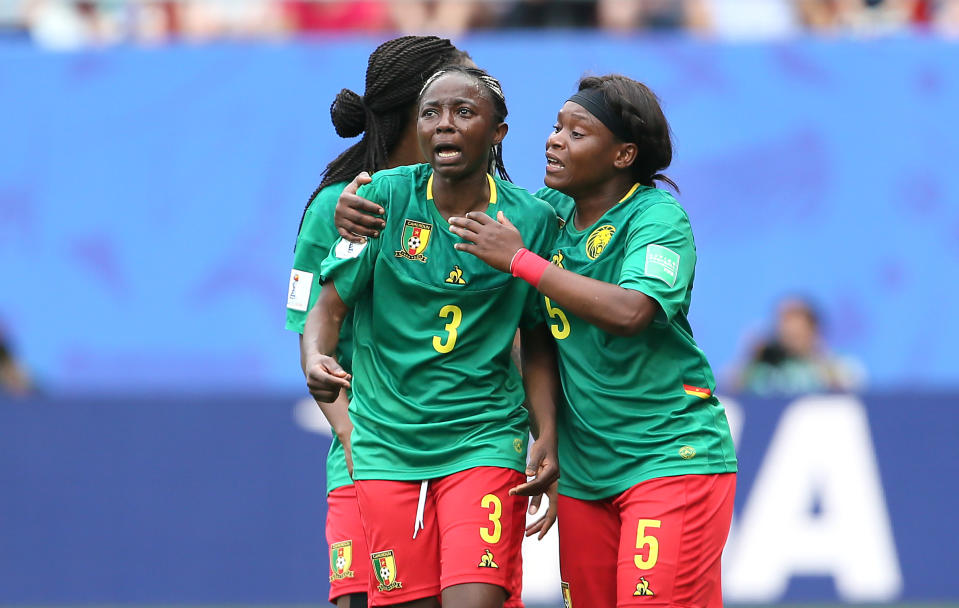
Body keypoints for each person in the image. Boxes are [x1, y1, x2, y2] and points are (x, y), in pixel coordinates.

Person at [334, 74, 738, 608]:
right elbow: (531, 328)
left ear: (623, 155)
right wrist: (345, 211)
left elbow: (633, 311)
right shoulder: (547, 213)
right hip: (584, 469)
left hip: (667, 454)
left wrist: (522, 262)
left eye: (577, 132)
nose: (554, 140)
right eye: (555, 127)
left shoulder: (657, 219)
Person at [301, 65, 561, 608]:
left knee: (476, 598)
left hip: (482, 438)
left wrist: (546, 433)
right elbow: (326, 307)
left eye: (464, 113)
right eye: (432, 113)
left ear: (498, 133)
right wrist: (315, 357)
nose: (445, 125)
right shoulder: (378, 200)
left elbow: (538, 338)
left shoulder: (531, 219)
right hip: (387, 445)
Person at [285, 35, 471, 608]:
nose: (459, 114)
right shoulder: (337, 208)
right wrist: (352, 436)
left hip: (470, 456)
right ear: (416, 111)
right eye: (447, 100)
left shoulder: (493, 206)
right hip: (370, 462)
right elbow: (314, 337)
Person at [735, 295, 866, 395]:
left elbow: (853, 395)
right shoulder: (765, 368)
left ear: (813, 330)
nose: (791, 337)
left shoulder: (838, 364)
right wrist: (751, 357)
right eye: (786, 331)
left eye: (798, 333)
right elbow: (730, 392)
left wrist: (820, 359)